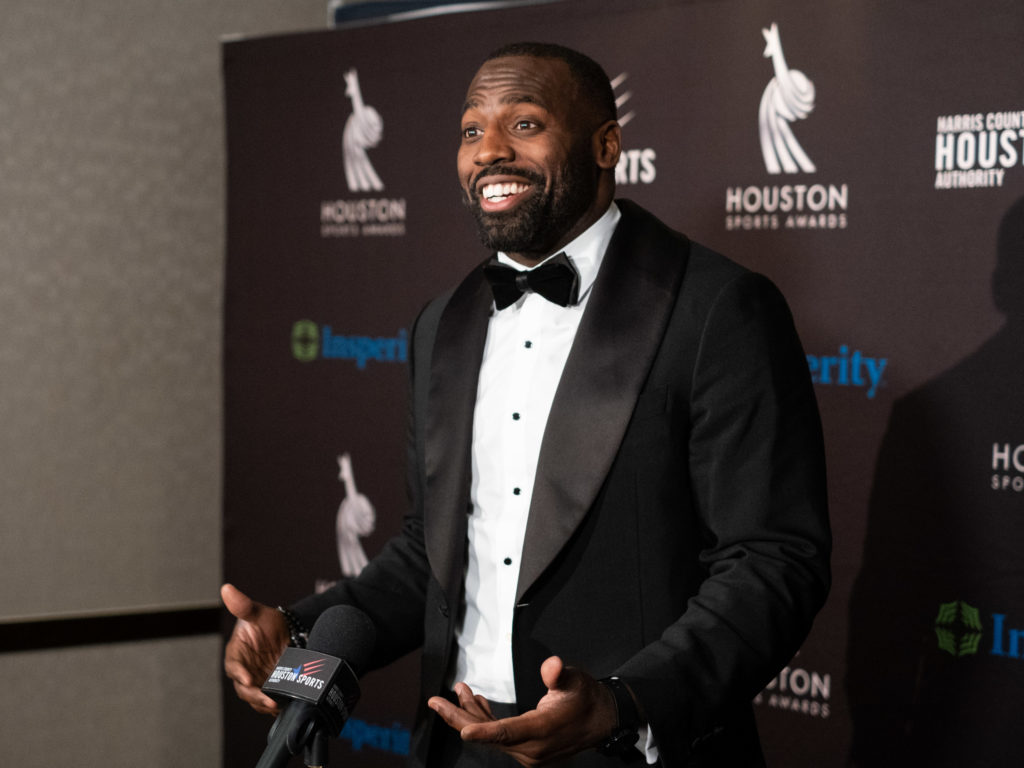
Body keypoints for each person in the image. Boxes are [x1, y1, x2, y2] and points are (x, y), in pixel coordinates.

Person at [223, 42, 831, 768]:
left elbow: (774, 558)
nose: (489, 151)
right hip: (457, 745)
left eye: (526, 125)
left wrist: (625, 702)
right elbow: (431, 554)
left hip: (630, 747)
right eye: (472, 130)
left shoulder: (716, 309)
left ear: (607, 145)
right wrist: (294, 630)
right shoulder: (441, 324)